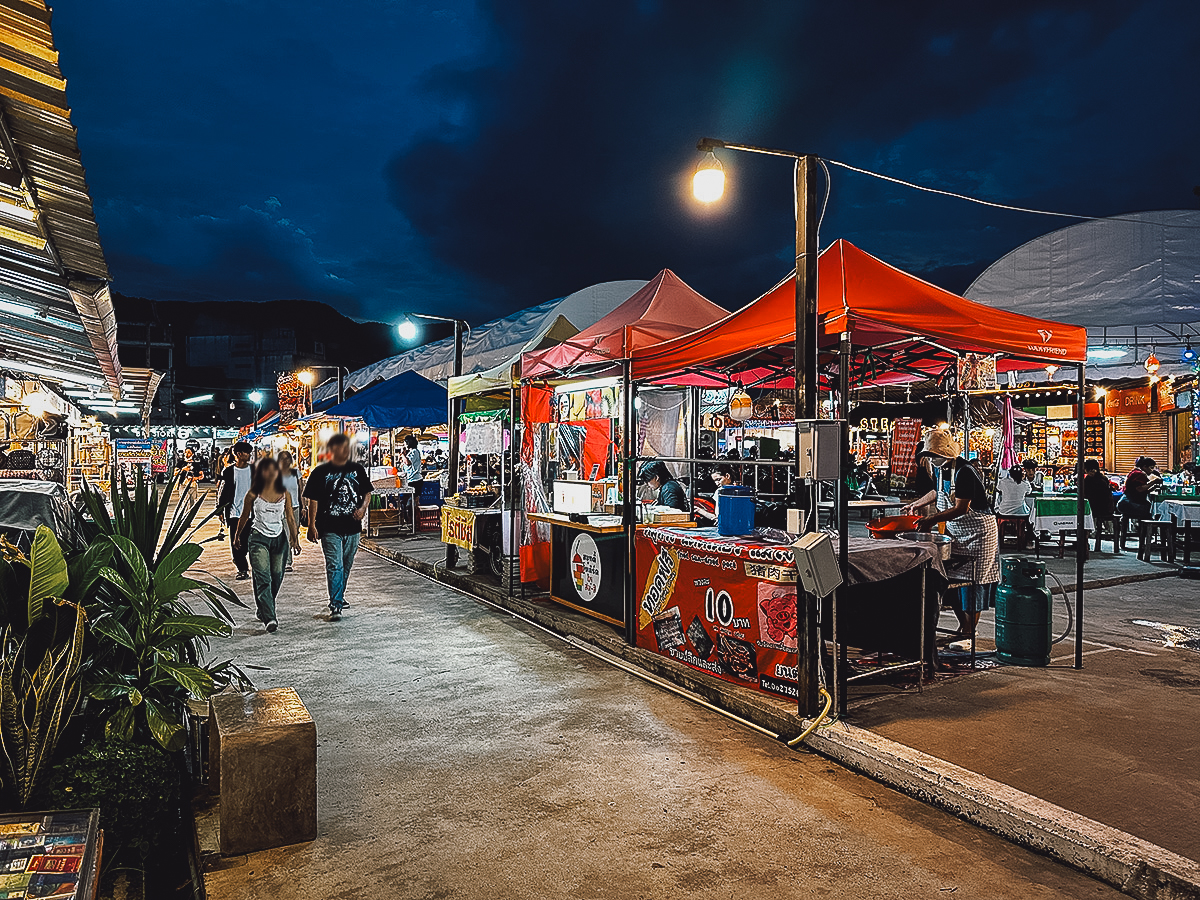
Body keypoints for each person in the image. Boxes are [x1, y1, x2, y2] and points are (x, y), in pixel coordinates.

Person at [916, 431, 999, 642]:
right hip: (957, 532)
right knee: (951, 583)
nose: (932, 459)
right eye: (930, 455)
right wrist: (918, 504)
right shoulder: (940, 469)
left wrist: (932, 519)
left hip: (979, 533)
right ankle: (964, 629)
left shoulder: (965, 471)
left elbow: (962, 507)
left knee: (973, 583)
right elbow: (937, 493)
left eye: (935, 454)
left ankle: (968, 633)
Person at [303, 432, 372, 621]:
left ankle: (339, 596)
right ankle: (335, 605)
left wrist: (363, 508)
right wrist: (311, 525)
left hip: (352, 527)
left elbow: (367, 492)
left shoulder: (357, 470)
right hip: (329, 527)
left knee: (346, 565)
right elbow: (313, 500)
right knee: (335, 565)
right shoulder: (320, 472)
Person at [233, 457, 300, 632]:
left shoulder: (285, 493)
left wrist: (295, 539)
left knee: (276, 577)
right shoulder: (253, 494)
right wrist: (237, 536)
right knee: (263, 578)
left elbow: (290, 517)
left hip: (279, 539)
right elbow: (244, 517)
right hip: (258, 538)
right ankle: (270, 617)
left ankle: (263, 607)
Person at [216, 441, 255, 580]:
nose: (249, 455)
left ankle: (242, 561)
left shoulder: (254, 470)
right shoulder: (228, 471)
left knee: (247, 542)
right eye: (247, 452)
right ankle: (242, 568)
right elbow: (222, 491)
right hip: (234, 512)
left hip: (252, 513)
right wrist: (220, 510)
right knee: (236, 542)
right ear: (239, 454)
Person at [279, 450, 305, 570]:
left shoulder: (296, 473)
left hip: (295, 507)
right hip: (282, 509)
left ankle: (293, 547)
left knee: (294, 533)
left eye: (287, 459)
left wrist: (304, 507)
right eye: (283, 459)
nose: (285, 461)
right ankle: (288, 561)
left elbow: (301, 492)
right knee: (286, 533)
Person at [1116, 455, 1162, 520]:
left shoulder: (1135, 472)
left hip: (1125, 502)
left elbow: (1141, 490)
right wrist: (1154, 482)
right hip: (1129, 503)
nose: (1152, 471)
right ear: (1144, 467)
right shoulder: (1138, 474)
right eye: (1151, 468)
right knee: (1150, 510)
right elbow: (1139, 489)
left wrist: (1153, 487)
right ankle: (1148, 528)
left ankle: (1145, 528)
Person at [902, 441, 938, 517]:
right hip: (926, 480)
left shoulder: (918, 457)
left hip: (920, 478)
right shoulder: (925, 458)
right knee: (926, 500)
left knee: (921, 497)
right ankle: (924, 516)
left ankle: (919, 515)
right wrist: (933, 479)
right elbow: (929, 471)